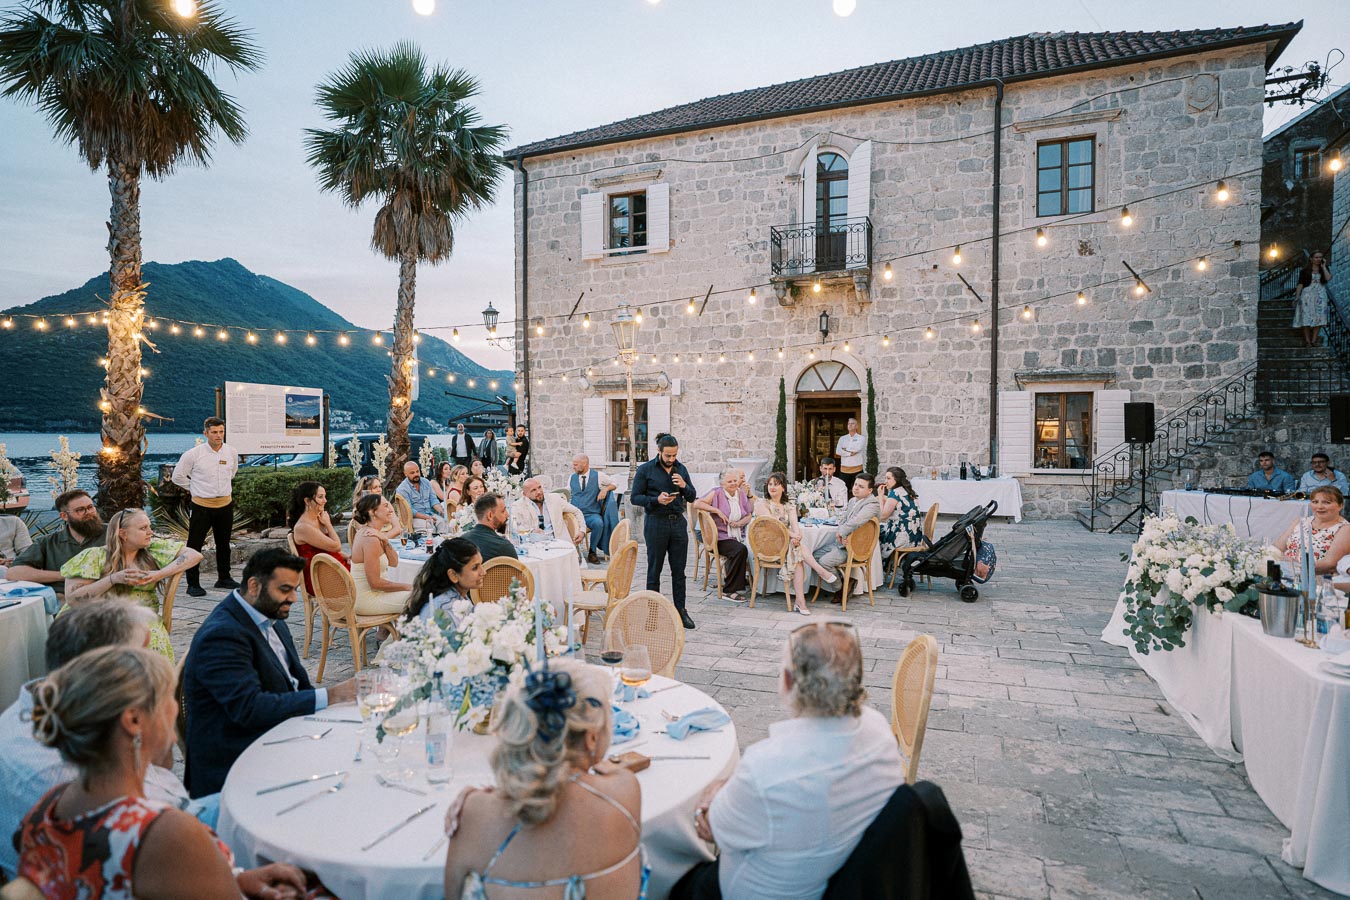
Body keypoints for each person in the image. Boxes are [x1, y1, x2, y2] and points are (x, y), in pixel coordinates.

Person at [16, 645, 308, 899]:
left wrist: (235, 880)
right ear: (134, 720)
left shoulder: (50, 804)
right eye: (168, 697)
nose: (175, 708)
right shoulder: (164, 832)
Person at [672, 621, 903, 900]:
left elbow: (711, 831)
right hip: (837, 880)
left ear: (788, 681)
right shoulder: (879, 732)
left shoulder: (765, 768)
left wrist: (712, 794)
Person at [0, 601, 219, 881]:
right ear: (105, 672)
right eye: (143, 656)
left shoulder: (36, 706)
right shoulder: (71, 773)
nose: (152, 663)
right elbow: (177, 831)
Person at [441, 659, 646, 900]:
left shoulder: (473, 812)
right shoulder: (625, 790)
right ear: (591, 738)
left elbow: (451, 894)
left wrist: (481, 796)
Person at [184, 548, 356, 797]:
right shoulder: (223, 635)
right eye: (285, 589)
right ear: (254, 586)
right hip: (239, 763)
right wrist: (332, 695)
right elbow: (250, 708)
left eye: (296, 589)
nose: (294, 599)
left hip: (283, 735)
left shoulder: (269, 616)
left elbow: (296, 685)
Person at [61, 508, 202, 661]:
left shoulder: (151, 550)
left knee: (146, 635)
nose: (150, 532)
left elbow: (194, 555)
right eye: (143, 528)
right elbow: (73, 599)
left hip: (141, 616)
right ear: (123, 533)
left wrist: (158, 574)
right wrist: (112, 579)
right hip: (97, 614)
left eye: (149, 526)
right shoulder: (95, 556)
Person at [632, 433, 698, 630]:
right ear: (659, 452)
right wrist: (655, 500)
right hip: (656, 523)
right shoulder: (645, 470)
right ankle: (652, 614)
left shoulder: (681, 469)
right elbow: (635, 497)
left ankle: (681, 611)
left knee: (679, 571)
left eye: (674, 455)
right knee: (654, 571)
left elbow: (693, 496)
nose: (671, 459)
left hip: (678, 524)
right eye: (668, 455)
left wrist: (684, 486)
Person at [171, 416, 239, 598]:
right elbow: (177, 477)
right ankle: (193, 584)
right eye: (214, 432)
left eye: (221, 432)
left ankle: (224, 578)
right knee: (194, 545)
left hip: (225, 504)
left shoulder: (231, 452)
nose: (218, 436)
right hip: (202, 506)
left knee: (224, 544)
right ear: (206, 433)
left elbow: (232, 474)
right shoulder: (193, 454)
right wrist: (194, 488)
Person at [754, 472, 840, 617]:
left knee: (798, 556)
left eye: (776, 484)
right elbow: (774, 525)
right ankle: (820, 571)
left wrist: (797, 536)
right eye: (770, 484)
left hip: (787, 543)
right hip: (768, 544)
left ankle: (800, 602)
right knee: (797, 551)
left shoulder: (789, 505)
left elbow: (795, 525)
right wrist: (793, 536)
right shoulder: (761, 504)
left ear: (783, 487)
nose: (772, 487)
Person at [6, 489, 105, 596]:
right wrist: (66, 575)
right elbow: (14, 573)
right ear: (64, 516)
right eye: (80, 510)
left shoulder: (114, 533)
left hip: (107, 598)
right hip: (62, 599)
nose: (89, 513)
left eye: (90, 507)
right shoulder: (48, 542)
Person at [812, 472, 880, 603]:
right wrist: (841, 532)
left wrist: (842, 532)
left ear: (870, 490)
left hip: (856, 548)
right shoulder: (853, 500)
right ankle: (845, 584)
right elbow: (843, 519)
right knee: (814, 556)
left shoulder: (872, 504)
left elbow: (857, 520)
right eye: (855, 484)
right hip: (843, 544)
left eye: (861, 486)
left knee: (825, 562)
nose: (855, 488)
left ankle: (839, 588)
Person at [693, 470, 753, 604]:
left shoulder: (741, 494)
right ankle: (729, 590)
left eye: (735, 481)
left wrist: (738, 523)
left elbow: (748, 514)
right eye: (729, 481)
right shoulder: (716, 492)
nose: (733, 484)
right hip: (719, 536)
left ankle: (744, 580)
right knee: (739, 550)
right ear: (722, 483)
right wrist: (717, 510)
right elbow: (697, 504)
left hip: (738, 532)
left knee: (750, 547)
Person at [349, 494, 414, 615]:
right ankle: (407, 633)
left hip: (376, 594)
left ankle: (386, 634)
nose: (390, 510)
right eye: (385, 506)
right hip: (367, 601)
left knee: (419, 593)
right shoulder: (370, 539)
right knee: (421, 597)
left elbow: (394, 562)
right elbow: (375, 583)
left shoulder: (376, 535)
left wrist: (385, 540)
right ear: (373, 512)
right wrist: (407, 586)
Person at [404, 537, 484, 625]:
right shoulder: (442, 612)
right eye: (475, 568)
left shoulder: (460, 596)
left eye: (481, 564)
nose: (483, 572)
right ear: (453, 575)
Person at [289, 480, 348, 595]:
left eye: (325, 496)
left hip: (332, 569)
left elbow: (328, 547)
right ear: (307, 501)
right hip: (319, 578)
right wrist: (328, 524)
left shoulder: (317, 518)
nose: (325, 501)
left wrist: (347, 556)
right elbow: (336, 546)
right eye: (320, 497)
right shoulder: (303, 527)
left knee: (367, 570)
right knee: (365, 578)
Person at [1278, 485, 1350, 574]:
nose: (1319, 506)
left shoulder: (1345, 529)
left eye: (1326, 502)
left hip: (1315, 578)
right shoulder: (1301, 521)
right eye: (1315, 502)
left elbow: (1329, 564)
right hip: (1284, 571)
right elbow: (1276, 548)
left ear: (1340, 505)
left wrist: (1293, 567)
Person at [570, 454, 619, 564]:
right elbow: (567, 492)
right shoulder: (571, 477)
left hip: (591, 514)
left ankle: (592, 552)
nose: (573, 467)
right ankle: (572, 553)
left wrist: (605, 489)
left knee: (598, 523)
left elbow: (615, 483)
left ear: (584, 464)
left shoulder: (598, 476)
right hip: (575, 515)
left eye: (576, 465)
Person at [511, 477, 587, 545]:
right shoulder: (518, 506)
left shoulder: (555, 499)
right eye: (533, 490)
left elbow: (577, 511)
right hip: (534, 545)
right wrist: (532, 531)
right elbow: (514, 528)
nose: (539, 492)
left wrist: (582, 530)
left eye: (539, 487)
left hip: (559, 543)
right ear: (525, 494)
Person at [878, 466, 924, 559]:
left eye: (888, 478)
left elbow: (883, 516)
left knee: (875, 531)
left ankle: (876, 563)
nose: (886, 481)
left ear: (896, 480)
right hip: (914, 536)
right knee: (880, 528)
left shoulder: (895, 493)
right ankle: (885, 564)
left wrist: (880, 495)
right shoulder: (907, 490)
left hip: (902, 538)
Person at [1292, 250, 1332, 348]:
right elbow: (1300, 284)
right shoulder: (1305, 270)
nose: (1319, 259)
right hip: (1307, 295)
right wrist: (1297, 297)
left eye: (1320, 257)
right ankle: (1307, 341)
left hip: (1320, 295)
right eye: (1316, 257)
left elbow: (1328, 278)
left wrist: (1323, 267)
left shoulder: (1324, 268)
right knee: (1306, 317)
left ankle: (1314, 340)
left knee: (1319, 317)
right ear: (1311, 259)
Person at [463, 493, 519, 562]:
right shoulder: (503, 547)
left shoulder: (462, 541)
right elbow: (515, 572)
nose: (507, 515)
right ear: (490, 515)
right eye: (503, 511)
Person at [397, 461, 444, 531]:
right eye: (412, 473)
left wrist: (441, 511)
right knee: (429, 526)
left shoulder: (426, 482)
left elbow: (433, 500)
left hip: (430, 514)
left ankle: (442, 541)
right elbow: (410, 510)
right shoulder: (402, 489)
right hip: (415, 518)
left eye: (417, 471)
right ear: (405, 474)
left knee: (443, 522)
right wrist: (427, 518)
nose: (416, 474)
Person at [834, 418, 866, 490]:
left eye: (852, 423)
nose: (850, 425)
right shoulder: (842, 438)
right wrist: (850, 453)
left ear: (857, 426)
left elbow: (857, 449)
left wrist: (845, 449)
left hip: (857, 469)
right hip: (844, 469)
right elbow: (838, 451)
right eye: (849, 424)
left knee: (858, 490)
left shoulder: (861, 438)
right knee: (843, 490)